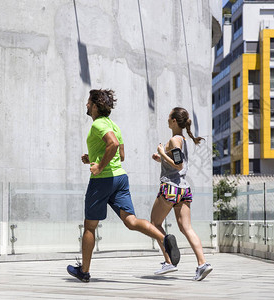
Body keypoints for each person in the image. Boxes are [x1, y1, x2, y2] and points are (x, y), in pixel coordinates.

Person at [67, 89, 180, 282]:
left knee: (90, 227)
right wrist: (92, 159)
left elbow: (111, 145)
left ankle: (84, 272)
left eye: (88, 102)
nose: (86, 105)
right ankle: (163, 239)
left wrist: (99, 166)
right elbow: (121, 156)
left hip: (102, 181)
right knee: (131, 221)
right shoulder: (114, 125)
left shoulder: (98, 124)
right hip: (120, 178)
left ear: (95, 105)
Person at [151, 107, 213, 281]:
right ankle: (202, 264)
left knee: (154, 224)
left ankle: (169, 261)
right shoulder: (183, 139)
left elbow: (179, 165)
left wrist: (163, 152)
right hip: (184, 189)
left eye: (169, 116)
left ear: (173, 121)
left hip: (170, 187)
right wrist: (162, 158)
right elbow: (177, 163)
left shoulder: (174, 140)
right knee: (186, 227)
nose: (167, 118)